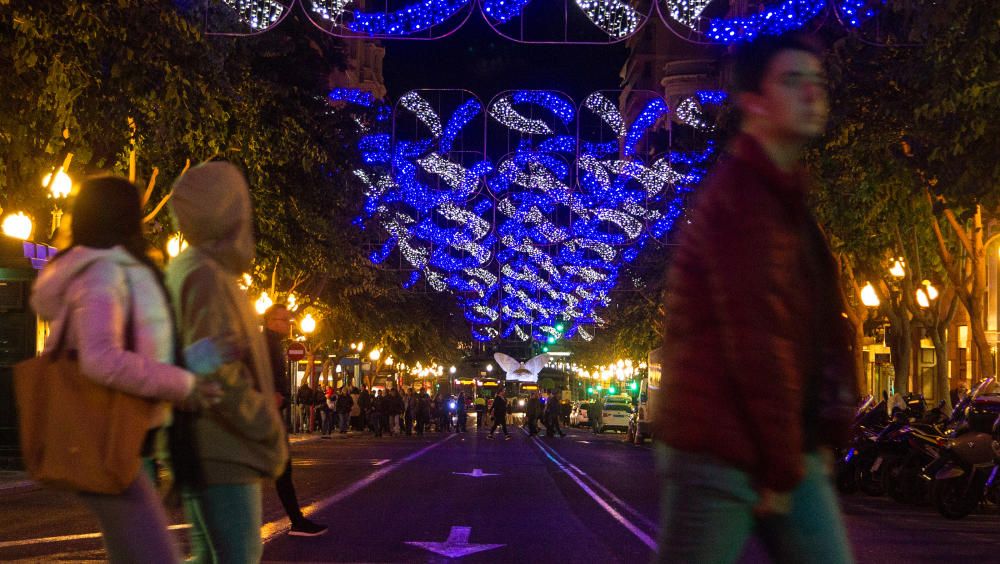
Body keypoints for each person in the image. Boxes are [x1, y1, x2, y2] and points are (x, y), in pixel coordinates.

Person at [652, 33, 857, 564]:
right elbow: (756, 338)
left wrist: (826, 430)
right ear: (753, 102)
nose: (812, 94)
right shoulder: (743, 200)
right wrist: (784, 462)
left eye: (818, 82)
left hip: (787, 443)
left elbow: (815, 329)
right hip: (721, 448)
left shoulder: (785, 196)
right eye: (793, 81)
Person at [30, 175, 226, 564]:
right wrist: (181, 383)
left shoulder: (107, 269)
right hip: (108, 436)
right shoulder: (104, 272)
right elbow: (101, 357)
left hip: (117, 436)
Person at [165, 162, 289, 563]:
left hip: (204, 444)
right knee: (238, 555)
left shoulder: (189, 267)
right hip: (222, 447)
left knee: (209, 555)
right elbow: (215, 367)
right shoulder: (207, 276)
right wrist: (264, 424)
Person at [262, 304, 328, 537]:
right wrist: (271, 393)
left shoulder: (273, 344)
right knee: (275, 469)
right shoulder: (263, 344)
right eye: (283, 320)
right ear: (270, 320)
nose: (288, 325)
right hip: (264, 416)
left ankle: (297, 520)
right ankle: (296, 521)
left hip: (269, 414)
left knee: (281, 470)